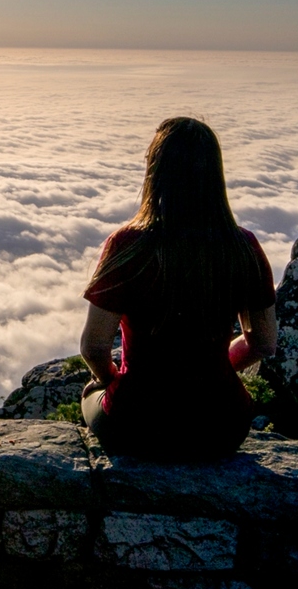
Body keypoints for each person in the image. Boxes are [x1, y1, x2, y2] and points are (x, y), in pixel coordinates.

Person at [78, 117, 277, 460]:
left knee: (88, 398)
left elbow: (94, 346)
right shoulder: (243, 247)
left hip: (138, 423)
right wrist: (212, 367)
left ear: (155, 173)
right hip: (222, 426)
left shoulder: (128, 246)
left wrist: (109, 380)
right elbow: (263, 342)